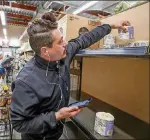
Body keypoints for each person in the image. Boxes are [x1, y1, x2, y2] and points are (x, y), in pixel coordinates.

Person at [10, 12, 130, 140]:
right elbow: (19, 123)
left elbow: (84, 39)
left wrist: (110, 26)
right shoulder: (26, 81)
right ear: (45, 51)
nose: (66, 43)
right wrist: (56, 116)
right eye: (60, 41)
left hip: (56, 133)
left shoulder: (63, 56)